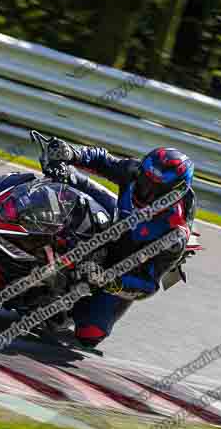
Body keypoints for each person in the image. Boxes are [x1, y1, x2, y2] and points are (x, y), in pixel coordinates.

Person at [40, 139, 197, 352]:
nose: (145, 190)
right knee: (65, 175)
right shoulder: (135, 171)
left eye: (154, 189)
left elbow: (148, 285)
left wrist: (109, 280)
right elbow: (102, 160)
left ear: (173, 194)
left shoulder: (173, 234)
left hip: (125, 263)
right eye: (144, 181)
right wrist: (72, 154)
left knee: (89, 334)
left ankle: (67, 306)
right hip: (118, 217)